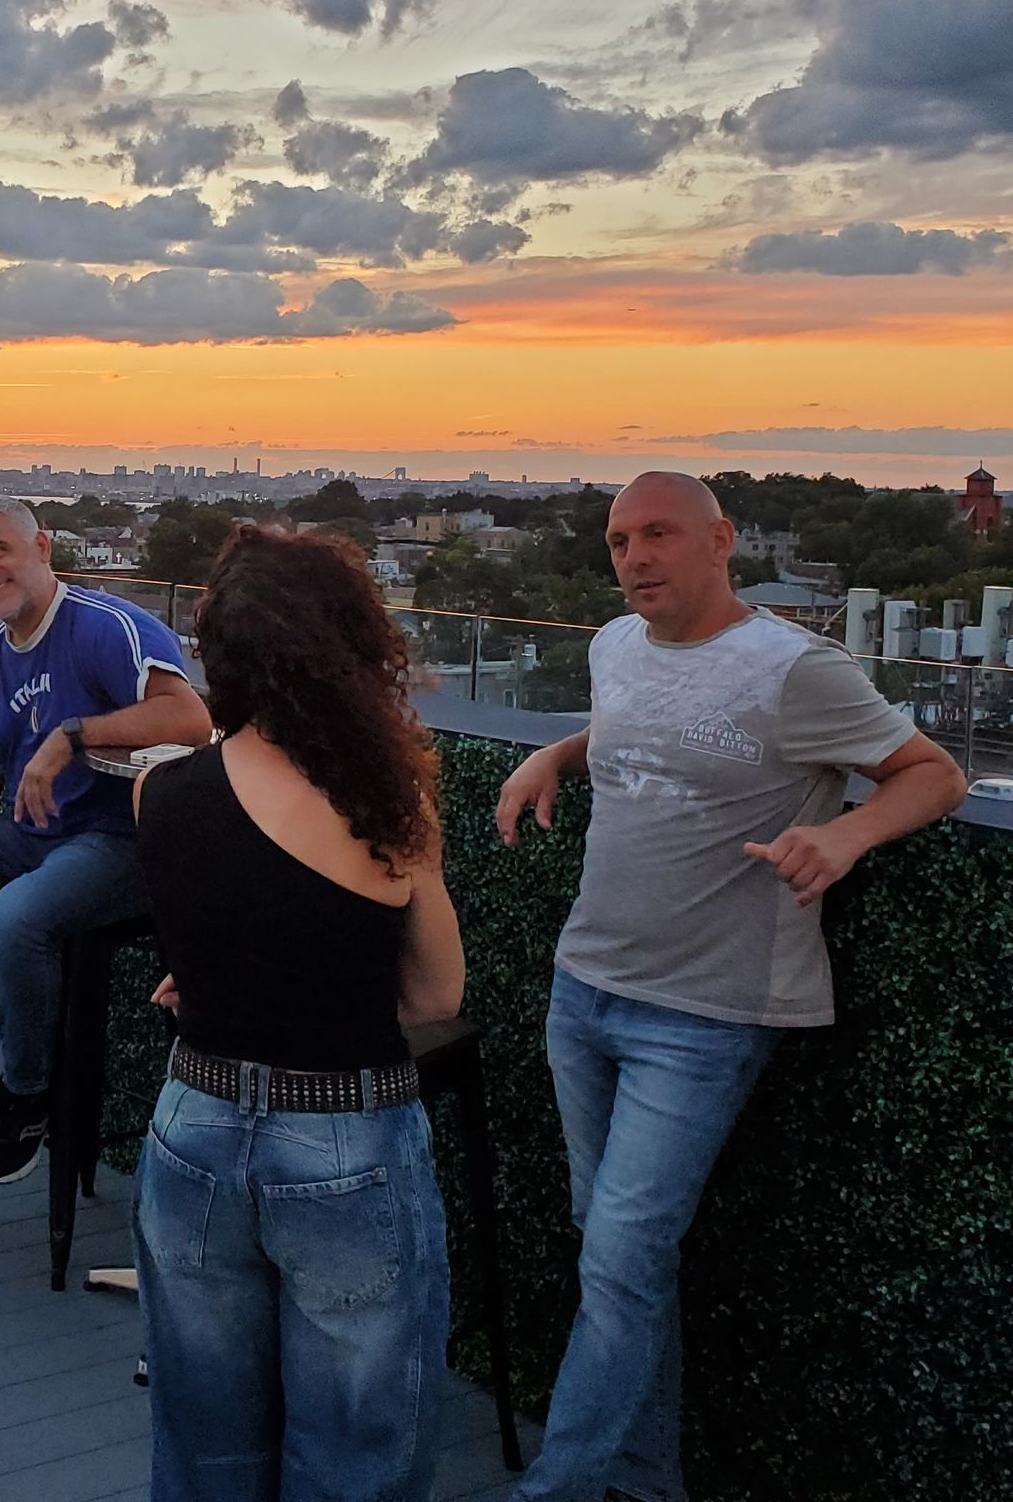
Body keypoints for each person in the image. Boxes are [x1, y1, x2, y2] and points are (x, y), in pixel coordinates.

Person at [496, 472, 967, 1502]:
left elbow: (935, 773)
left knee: (621, 1257)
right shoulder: (614, 645)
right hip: (584, 988)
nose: (635, 558)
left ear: (722, 541)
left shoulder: (797, 668)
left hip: (706, 1015)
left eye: (658, 535)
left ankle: (560, 1488)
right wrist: (557, 759)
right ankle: (647, 1482)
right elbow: (642, 731)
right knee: (617, 1258)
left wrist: (843, 834)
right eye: (620, 541)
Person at [132, 524, 465, 1502]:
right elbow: (436, 995)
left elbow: (215, 948)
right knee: (355, 1460)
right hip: (343, 1141)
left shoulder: (159, 790)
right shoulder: (383, 807)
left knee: (204, 1451)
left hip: (191, 1126)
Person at [0, 492, 212, 1185]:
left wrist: (73, 734)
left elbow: (190, 719)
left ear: (42, 548)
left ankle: (30, 1098)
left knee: (19, 916)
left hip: (121, 840)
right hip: (32, 838)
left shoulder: (106, 628)